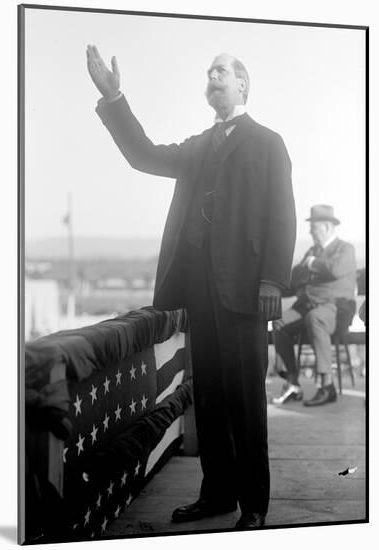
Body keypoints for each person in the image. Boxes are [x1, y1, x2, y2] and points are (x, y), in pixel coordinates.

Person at [86, 46, 296, 530]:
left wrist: (271, 281)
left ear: (243, 84)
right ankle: (218, 493)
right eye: (209, 72)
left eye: (221, 71)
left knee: (245, 397)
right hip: (201, 290)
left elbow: (282, 214)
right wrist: (114, 97)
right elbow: (143, 156)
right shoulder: (200, 145)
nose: (213, 77)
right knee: (212, 397)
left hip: (246, 292)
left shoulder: (267, 142)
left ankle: (255, 504)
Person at [272, 205, 357, 406]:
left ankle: (327, 387)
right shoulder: (313, 251)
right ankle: (293, 384)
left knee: (315, 317)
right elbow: (296, 277)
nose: (310, 231)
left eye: (314, 227)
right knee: (279, 322)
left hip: (335, 310)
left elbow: (335, 270)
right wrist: (312, 269)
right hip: (310, 307)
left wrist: (311, 265)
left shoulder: (346, 249)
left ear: (327, 227)